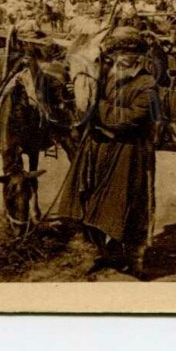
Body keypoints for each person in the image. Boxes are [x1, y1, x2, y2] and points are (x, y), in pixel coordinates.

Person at [56, 26, 161, 276]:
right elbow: (87, 92)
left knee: (127, 205)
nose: (123, 57)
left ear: (139, 56)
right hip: (97, 148)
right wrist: (78, 94)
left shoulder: (147, 85)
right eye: (118, 52)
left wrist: (95, 106)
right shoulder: (107, 77)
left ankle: (134, 258)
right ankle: (105, 253)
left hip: (129, 153)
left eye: (129, 52)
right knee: (89, 200)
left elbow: (127, 120)